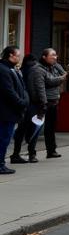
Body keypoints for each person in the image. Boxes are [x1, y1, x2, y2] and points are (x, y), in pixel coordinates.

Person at [0, 46, 29, 175]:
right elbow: (8, 91)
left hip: (10, 111)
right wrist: (21, 102)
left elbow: (20, 87)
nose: (19, 58)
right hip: (5, 112)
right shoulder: (4, 70)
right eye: (18, 55)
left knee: (6, 138)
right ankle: (0, 164)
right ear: (11, 55)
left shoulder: (12, 69)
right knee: (4, 138)